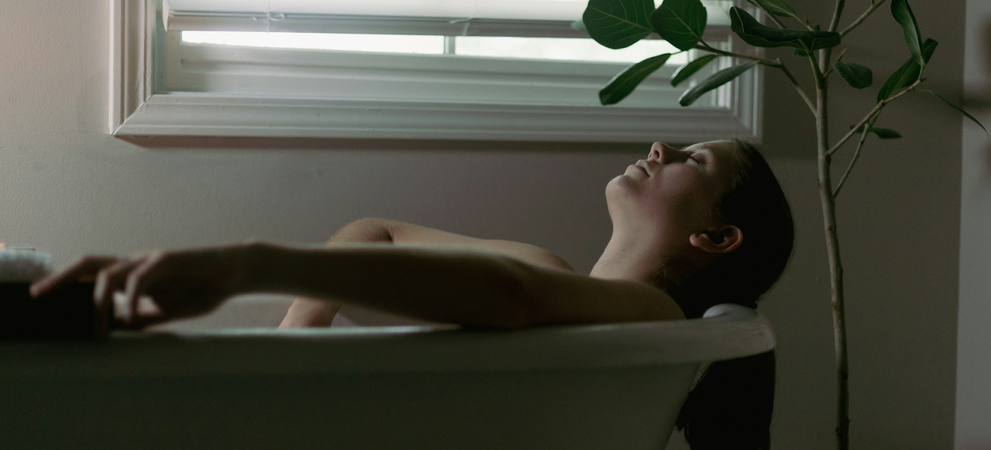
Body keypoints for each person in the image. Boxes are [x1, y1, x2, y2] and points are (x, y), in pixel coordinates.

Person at [30, 139, 794, 450]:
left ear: (716, 237)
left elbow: (513, 298)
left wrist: (249, 265)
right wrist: (292, 352)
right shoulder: (541, 266)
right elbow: (374, 230)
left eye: (690, 159)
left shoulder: (657, 320)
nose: (656, 149)